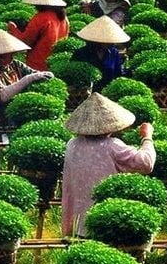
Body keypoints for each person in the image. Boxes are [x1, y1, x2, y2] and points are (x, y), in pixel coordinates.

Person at [61, 93, 156, 237]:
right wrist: (147, 137)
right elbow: (146, 163)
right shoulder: (112, 146)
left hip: (76, 219)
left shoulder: (72, 145)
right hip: (103, 218)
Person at [0, 30, 53, 168]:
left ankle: (13, 170)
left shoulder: (16, 65)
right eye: (9, 53)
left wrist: (42, 76)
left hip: (18, 115)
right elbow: (2, 96)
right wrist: (27, 79)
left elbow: (34, 74)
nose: (12, 56)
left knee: (16, 146)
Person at [7, 0, 70, 71]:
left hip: (38, 63)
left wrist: (13, 29)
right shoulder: (64, 18)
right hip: (55, 62)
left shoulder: (41, 18)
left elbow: (25, 41)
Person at [72, 15, 130, 90]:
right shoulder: (81, 54)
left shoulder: (113, 53)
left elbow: (118, 73)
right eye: (107, 41)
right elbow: (74, 75)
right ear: (98, 41)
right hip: (86, 93)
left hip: (108, 94)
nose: (112, 43)